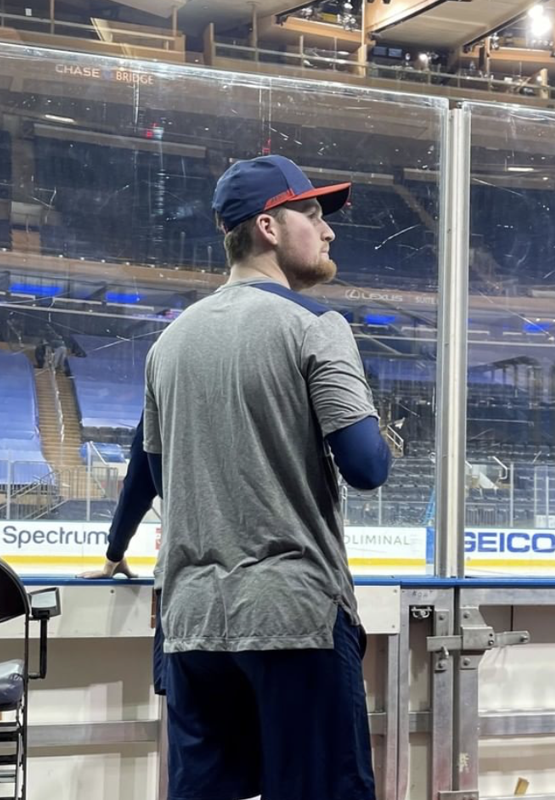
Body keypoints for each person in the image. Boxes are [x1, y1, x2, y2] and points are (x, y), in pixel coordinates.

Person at [144, 154, 391, 800]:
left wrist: (119, 552)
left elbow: (156, 473)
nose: (328, 230)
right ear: (270, 228)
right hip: (295, 619)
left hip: (193, 625)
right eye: (312, 213)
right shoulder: (316, 326)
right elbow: (367, 467)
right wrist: (376, 420)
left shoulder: (167, 345)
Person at [78, 415, 167, 694]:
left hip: (190, 581)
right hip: (279, 583)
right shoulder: (279, 379)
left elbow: (137, 489)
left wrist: (114, 553)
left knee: (190, 720)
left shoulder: (166, 379)